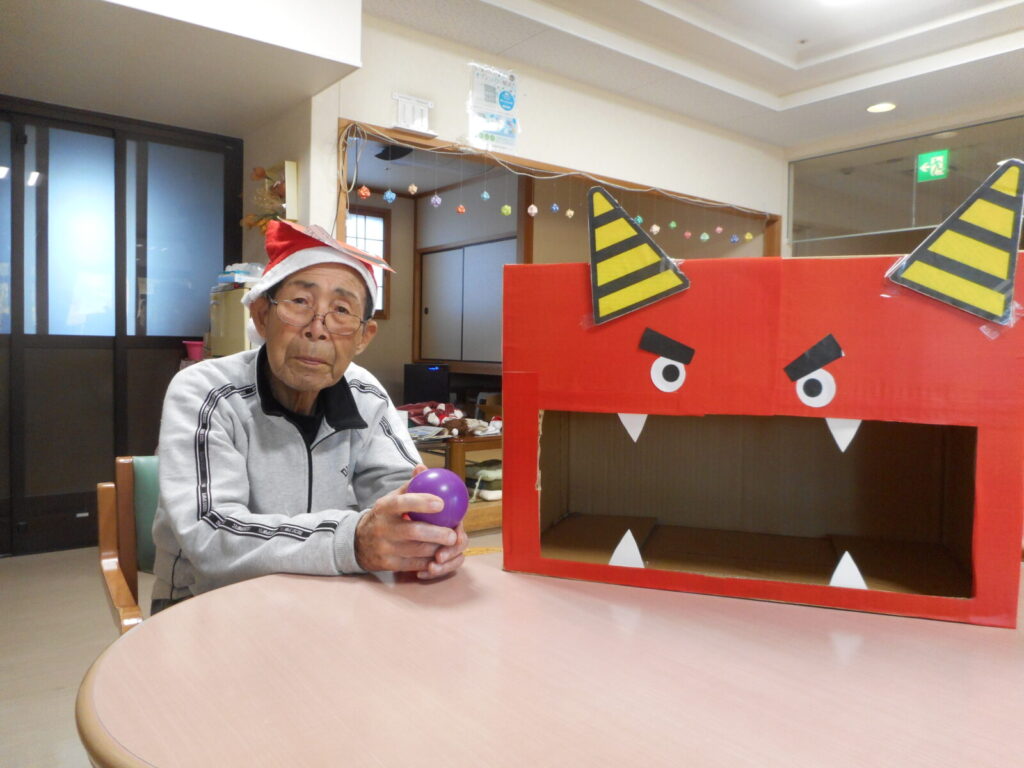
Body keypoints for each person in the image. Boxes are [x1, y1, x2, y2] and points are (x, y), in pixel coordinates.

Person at [150, 220, 467, 612]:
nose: (318, 329)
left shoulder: (365, 395)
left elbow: (402, 493)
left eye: (341, 311)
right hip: (204, 602)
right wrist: (352, 541)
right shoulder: (205, 391)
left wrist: (430, 533)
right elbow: (211, 537)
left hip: (326, 595)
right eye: (300, 302)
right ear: (261, 315)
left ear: (363, 336)